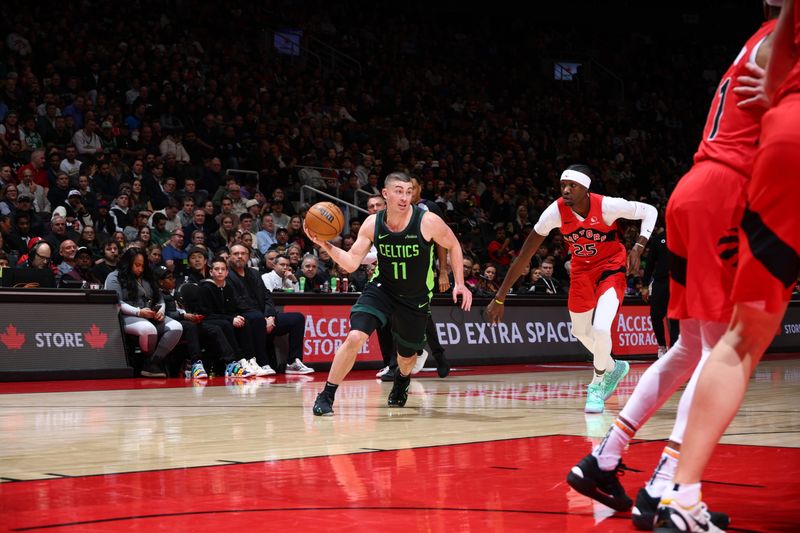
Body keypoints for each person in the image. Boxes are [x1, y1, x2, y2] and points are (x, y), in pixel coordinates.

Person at [565, 4, 781, 529]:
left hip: (693, 188)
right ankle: (670, 486)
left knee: (688, 347)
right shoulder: (783, 40)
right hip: (726, 193)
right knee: (720, 349)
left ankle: (606, 457)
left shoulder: (758, 38)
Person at [657, 1, 799, 530]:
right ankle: (667, 481)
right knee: (707, 343)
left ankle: (678, 489)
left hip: (767, 147)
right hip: (728, 181)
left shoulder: (760, 37)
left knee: (729, 340)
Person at [486, 164, 658, 414]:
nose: (565, 190)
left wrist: (639, 246)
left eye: (572, 186)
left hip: (611, 267)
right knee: (580, 331)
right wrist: (499, 298)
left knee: (600, 328)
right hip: (581, 271)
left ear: (586, 189)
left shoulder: (608, 205)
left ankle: (596, 385)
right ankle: (613, 367)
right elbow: (524, 255)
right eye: (562, 185)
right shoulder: (554, 212)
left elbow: (650, 211)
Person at [308, 172, 472, 417]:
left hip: (415, 297)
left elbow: (454, 245)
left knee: (406, 358)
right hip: (382, 289)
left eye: (408, 191)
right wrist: (326, 245)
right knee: (355, 337)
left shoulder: (427, 221)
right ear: (385, 194)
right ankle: (327, 394)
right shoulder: (373, 223)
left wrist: (459, 282)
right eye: (398, 191)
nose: (404, 197)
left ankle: (402, 380)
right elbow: (352, 263)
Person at [226, 243, 311, 375]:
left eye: (243, 254)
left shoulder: (254, 273)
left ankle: (293, 362)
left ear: (248, 257)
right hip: (246, 317)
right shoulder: (227, 276)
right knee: (256, 318)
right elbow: (237, 302)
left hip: (264, 316)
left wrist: (269, 316)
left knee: (297, 318)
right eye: (236, 254)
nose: (240, 257)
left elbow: (267, 296)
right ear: (230, 257)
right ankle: (262, 362)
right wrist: (262, 317)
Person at [105, 247, 183, 378]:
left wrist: (161, 311)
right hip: (124, 316)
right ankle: (149, 364)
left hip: (149, 314)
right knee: (148, 329)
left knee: (177, 327)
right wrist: (138, 312)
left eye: (142, 265)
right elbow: (116, 302)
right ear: (128, 263)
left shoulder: (147, 277)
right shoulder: (114, 277)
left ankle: (152, 363)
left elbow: (159, 298)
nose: (140, 269)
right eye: (137, 265)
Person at [641, 225, 679, 358]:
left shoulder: (684, 236)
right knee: (655, 316)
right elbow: (650, 263)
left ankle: (674, 350)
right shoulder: (659, 239)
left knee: (675, 319)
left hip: (677, 283)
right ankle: (662, 346)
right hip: (660, 282)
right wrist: (645, 285)